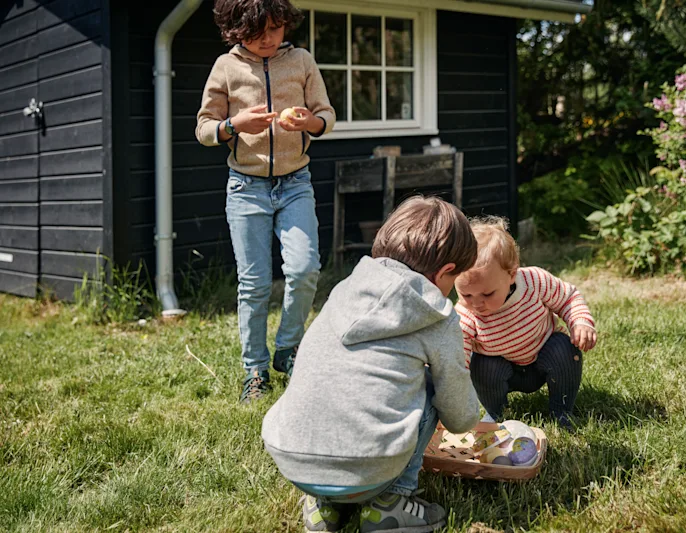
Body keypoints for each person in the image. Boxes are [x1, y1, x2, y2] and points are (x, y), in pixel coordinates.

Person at [262, 196, 481, 533]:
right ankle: (390, 503)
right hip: (372, 467)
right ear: (446, 272)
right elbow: (460, 415)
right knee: (433, 385)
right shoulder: (437, 315)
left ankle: (323, 507)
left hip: (292, 459)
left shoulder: (344, 290)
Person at [195, 0, 335, 402]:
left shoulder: (302, 60)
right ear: (236, 30)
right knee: (254, 285)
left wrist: (309, 122)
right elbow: (204, 129)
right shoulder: (226, 67)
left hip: (295, 183)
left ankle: (288, 349)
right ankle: (255, 370)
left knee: (305, 268)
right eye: (259, 33)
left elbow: (326, 115)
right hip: (246, 188)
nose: (270, 39)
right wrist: (233, 125)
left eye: (276, 29)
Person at [454, 216, 597, 431]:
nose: (477, 303)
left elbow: (568, 298)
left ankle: (562, 410)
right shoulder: (465, 313)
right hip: (502, 367)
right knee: (481, 365)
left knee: (565, 350)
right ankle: (496, 413)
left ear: (511, 274)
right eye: (466, 294)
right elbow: (458, 355)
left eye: (487, 293)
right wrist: (452, 387)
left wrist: (580, 322)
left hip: (542, 356)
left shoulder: (534, 282)